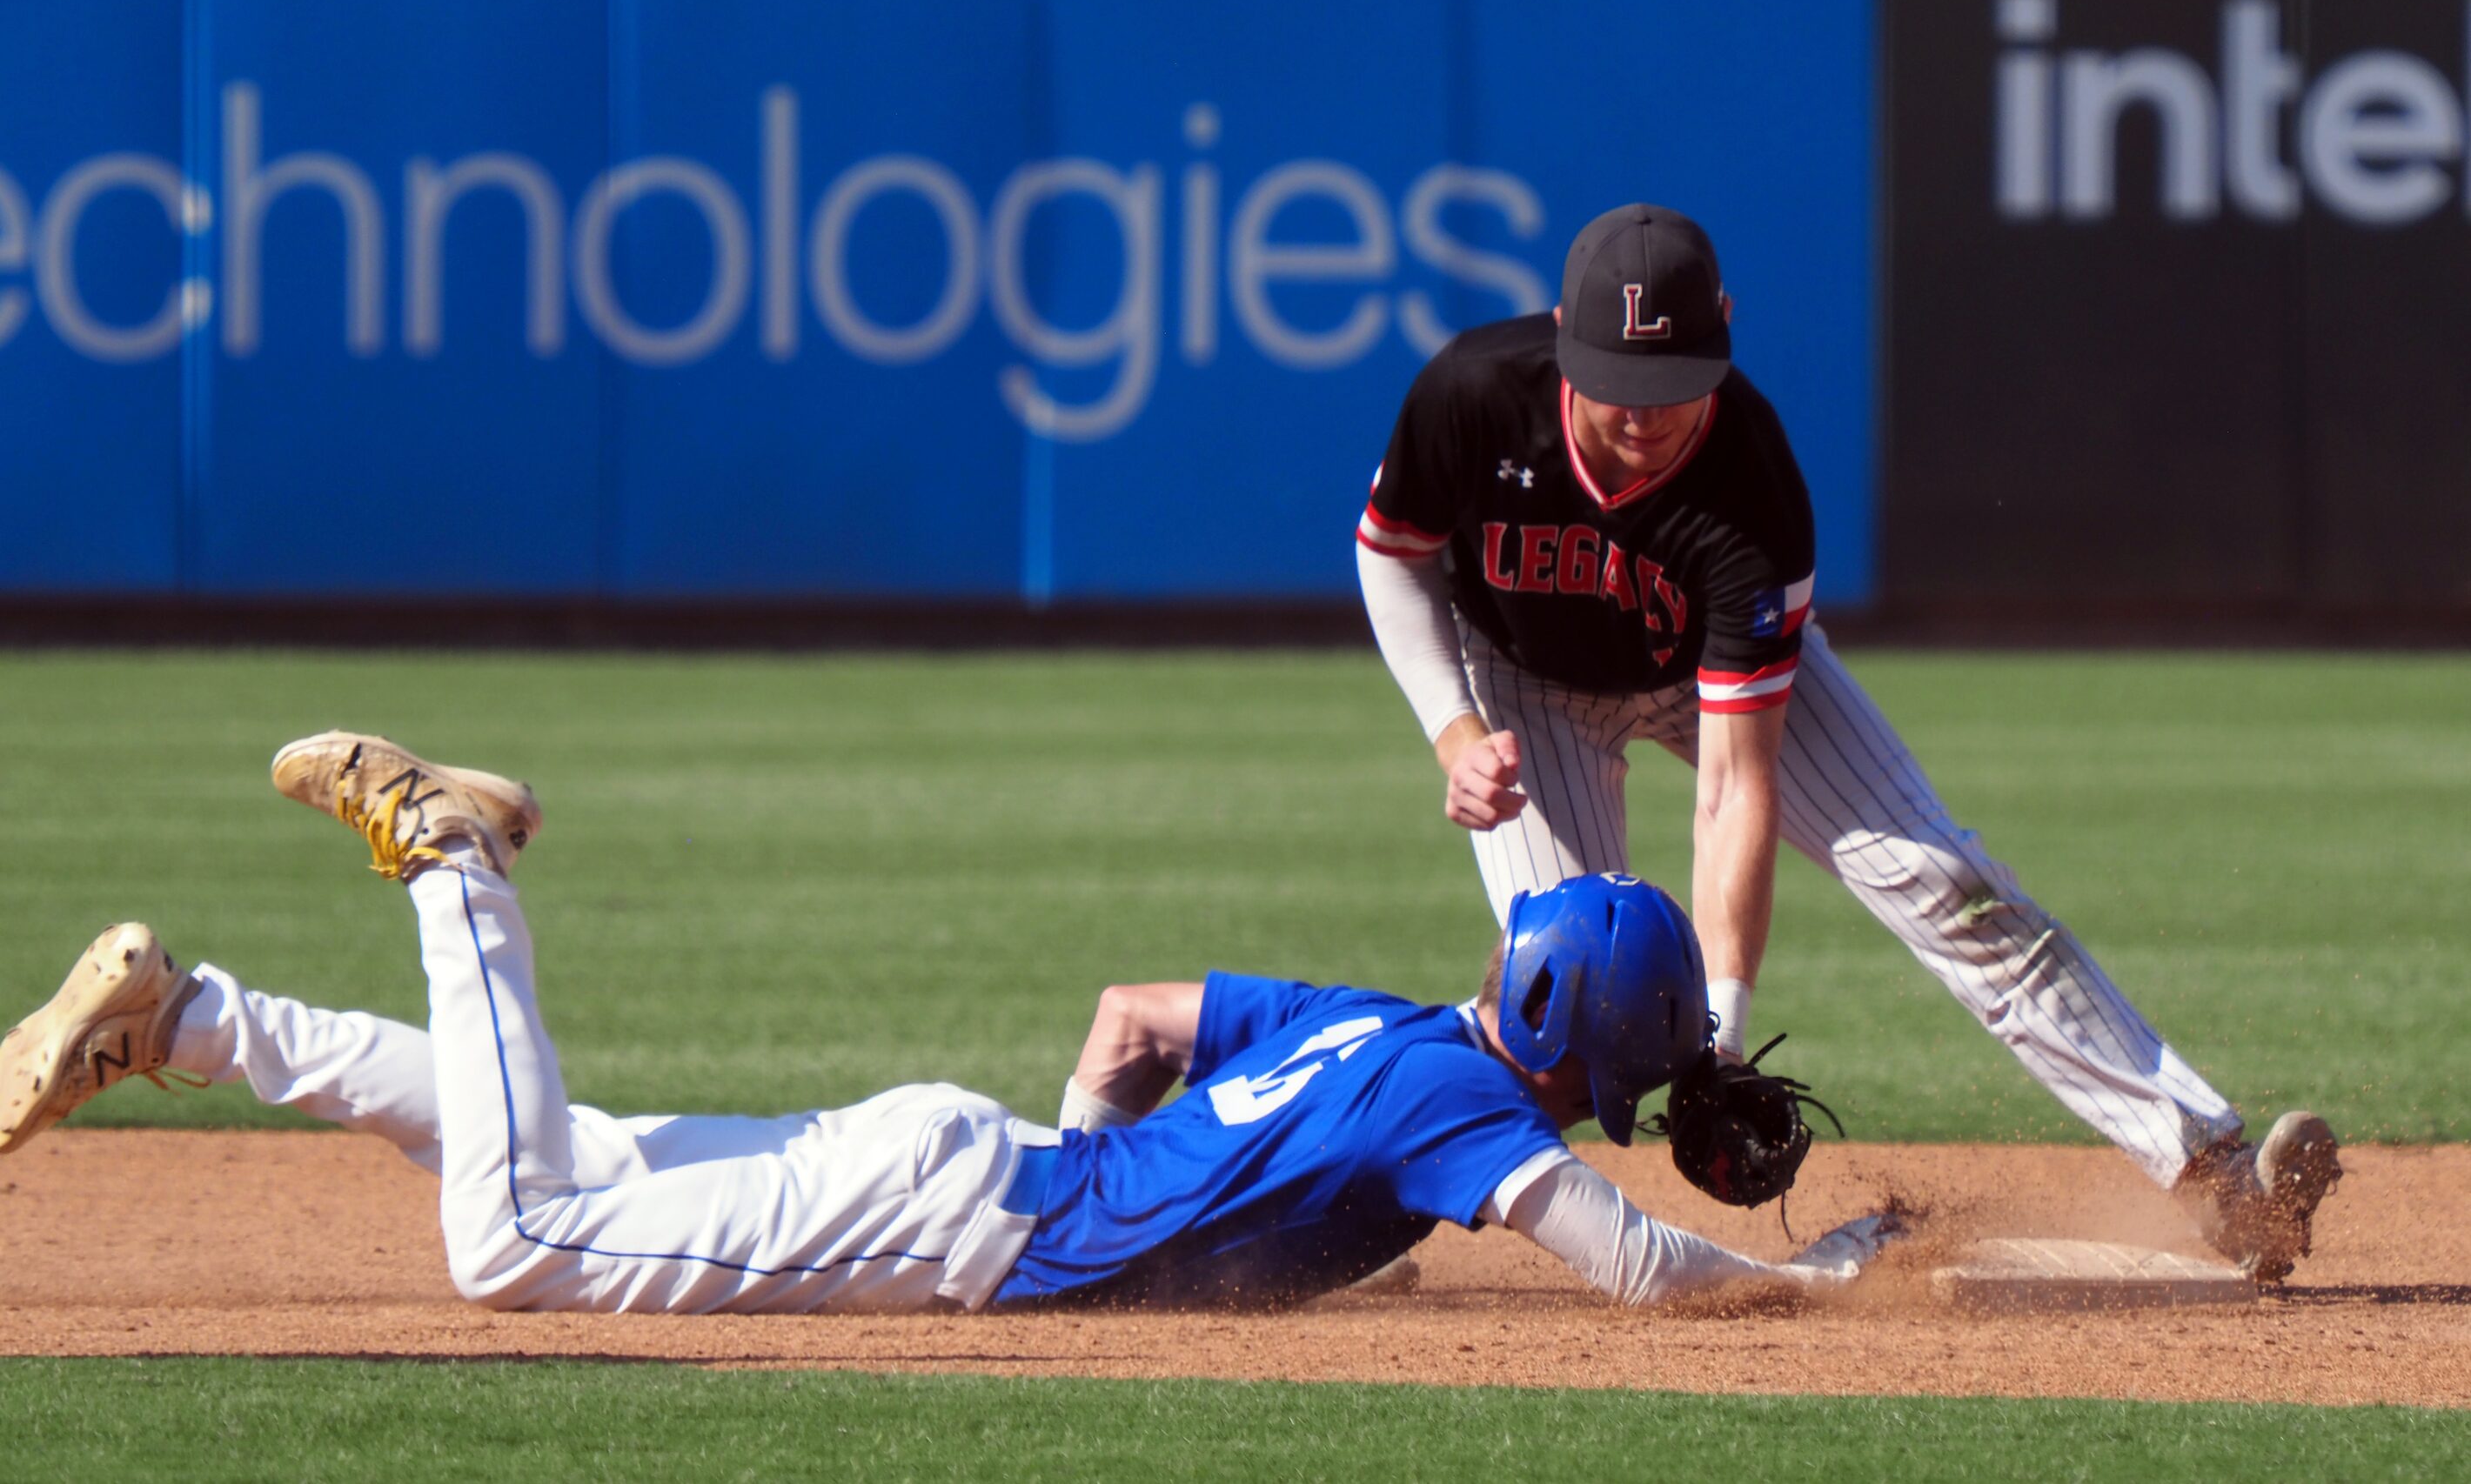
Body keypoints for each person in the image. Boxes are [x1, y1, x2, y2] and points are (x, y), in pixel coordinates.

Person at [0, 732, 1899, 1314]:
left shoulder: (1386, 1034)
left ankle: (193, 1026)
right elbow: (1636, 1263)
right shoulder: (1469, 1128)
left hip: (980, 1163)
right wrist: (1803, 1289)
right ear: (1595, 1052)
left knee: (563, 1168)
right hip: (959, 1216)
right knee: (516, 1238)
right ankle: (450, 861)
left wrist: (1126, 1176)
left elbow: (1135, 1012)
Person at [1354, 202, 2340, 1281]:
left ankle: (2217, 1179)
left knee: (1946, 882)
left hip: (1699, 680)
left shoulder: (1750, 484)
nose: (1641, 417)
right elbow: (1391, 550)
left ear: (1724, 330)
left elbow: (1733, 786)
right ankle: (1344, 1221)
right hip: (1524, 686)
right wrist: (1454, 732)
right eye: (1616, 385)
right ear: (1559, 334)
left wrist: (1717, 1037)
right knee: (1558, 995)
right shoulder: (1469, 395)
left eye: (1671, 383)